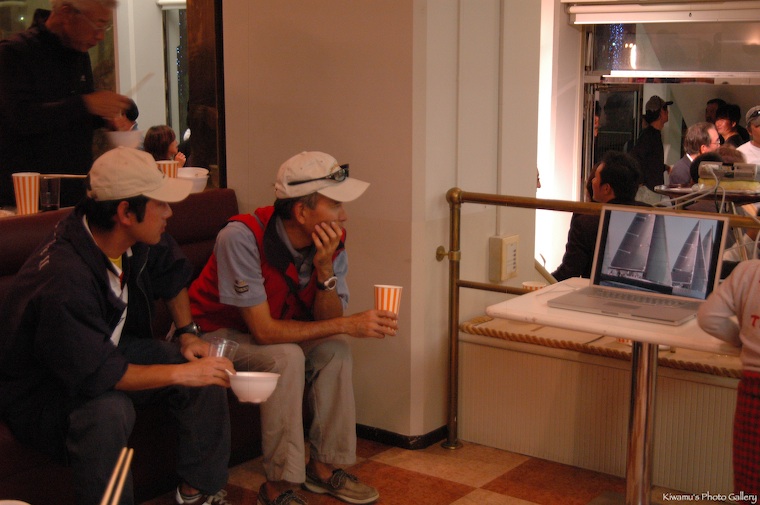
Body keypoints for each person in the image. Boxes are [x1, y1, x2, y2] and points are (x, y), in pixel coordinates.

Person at [0, 147, 232, 505]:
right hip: (46, 389)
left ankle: (199, 493)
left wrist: (188, 334)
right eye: (160, 203)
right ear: (125, 212)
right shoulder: (65, 278)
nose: (169, 212)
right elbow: (99, 373)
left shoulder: (135, 236)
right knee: (110, 411)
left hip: (102, 352)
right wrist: (183, 374)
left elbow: (171, 274)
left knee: (205, 369)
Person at [188, 151, 398, 505]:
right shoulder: (240, 237)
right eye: (335, 204)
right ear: (301, 211)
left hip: (271, 331)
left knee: (334, 349)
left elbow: (325, 323)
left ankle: (324, 469)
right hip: (213, 335)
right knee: (286, 357)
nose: (344, 215)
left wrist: (324, 269)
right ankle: (278, 487)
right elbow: (264, 333)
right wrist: (349, 323)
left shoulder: (330, 243)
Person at [0, 0, 133, 208]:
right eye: (98, 25)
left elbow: (70, 118)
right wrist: (86, 104)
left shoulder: (79, 54)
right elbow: (21, 118)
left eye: (105, 27)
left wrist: (104, 118)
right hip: (25, 199)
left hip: (77, 193)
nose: (100, 36)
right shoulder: (14, 52)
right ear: (66, 13)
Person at [697, 260, 760, 493]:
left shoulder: (748, 272)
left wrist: (742, 339)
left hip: (754, 393)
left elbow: (708, 317)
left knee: (752, 486)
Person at [552, 150, 643, 281]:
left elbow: (570, 272)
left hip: (596, 292)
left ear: (606, 188)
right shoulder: (649, 214)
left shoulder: (586, 220)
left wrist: (540, 284)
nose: (592, 181)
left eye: (595, 177)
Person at [630, 95, 672, 204]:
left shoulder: (650, 134)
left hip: (650, 190)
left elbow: (648, 160)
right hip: (648, 191)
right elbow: (636, 158)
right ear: (661, 112)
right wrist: (641, 182)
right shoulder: (650, 135)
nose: (667, 112)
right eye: (665, 109)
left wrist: (664, 167)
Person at [669, 122, 720, 186]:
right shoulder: (680, 172)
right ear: (703, 148)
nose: (719, 146)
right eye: (717, 142)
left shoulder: (707, 168)